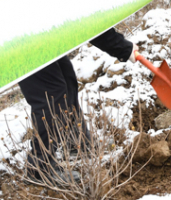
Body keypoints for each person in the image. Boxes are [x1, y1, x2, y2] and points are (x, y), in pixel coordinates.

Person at [19, 28, 137, 184]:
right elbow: (88, 21)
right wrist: (123, 48)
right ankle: (39, 167)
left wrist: (124, 48)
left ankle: (74, 141)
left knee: (66, 78)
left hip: (39, 32)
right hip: (20, 37)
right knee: (51, 93)